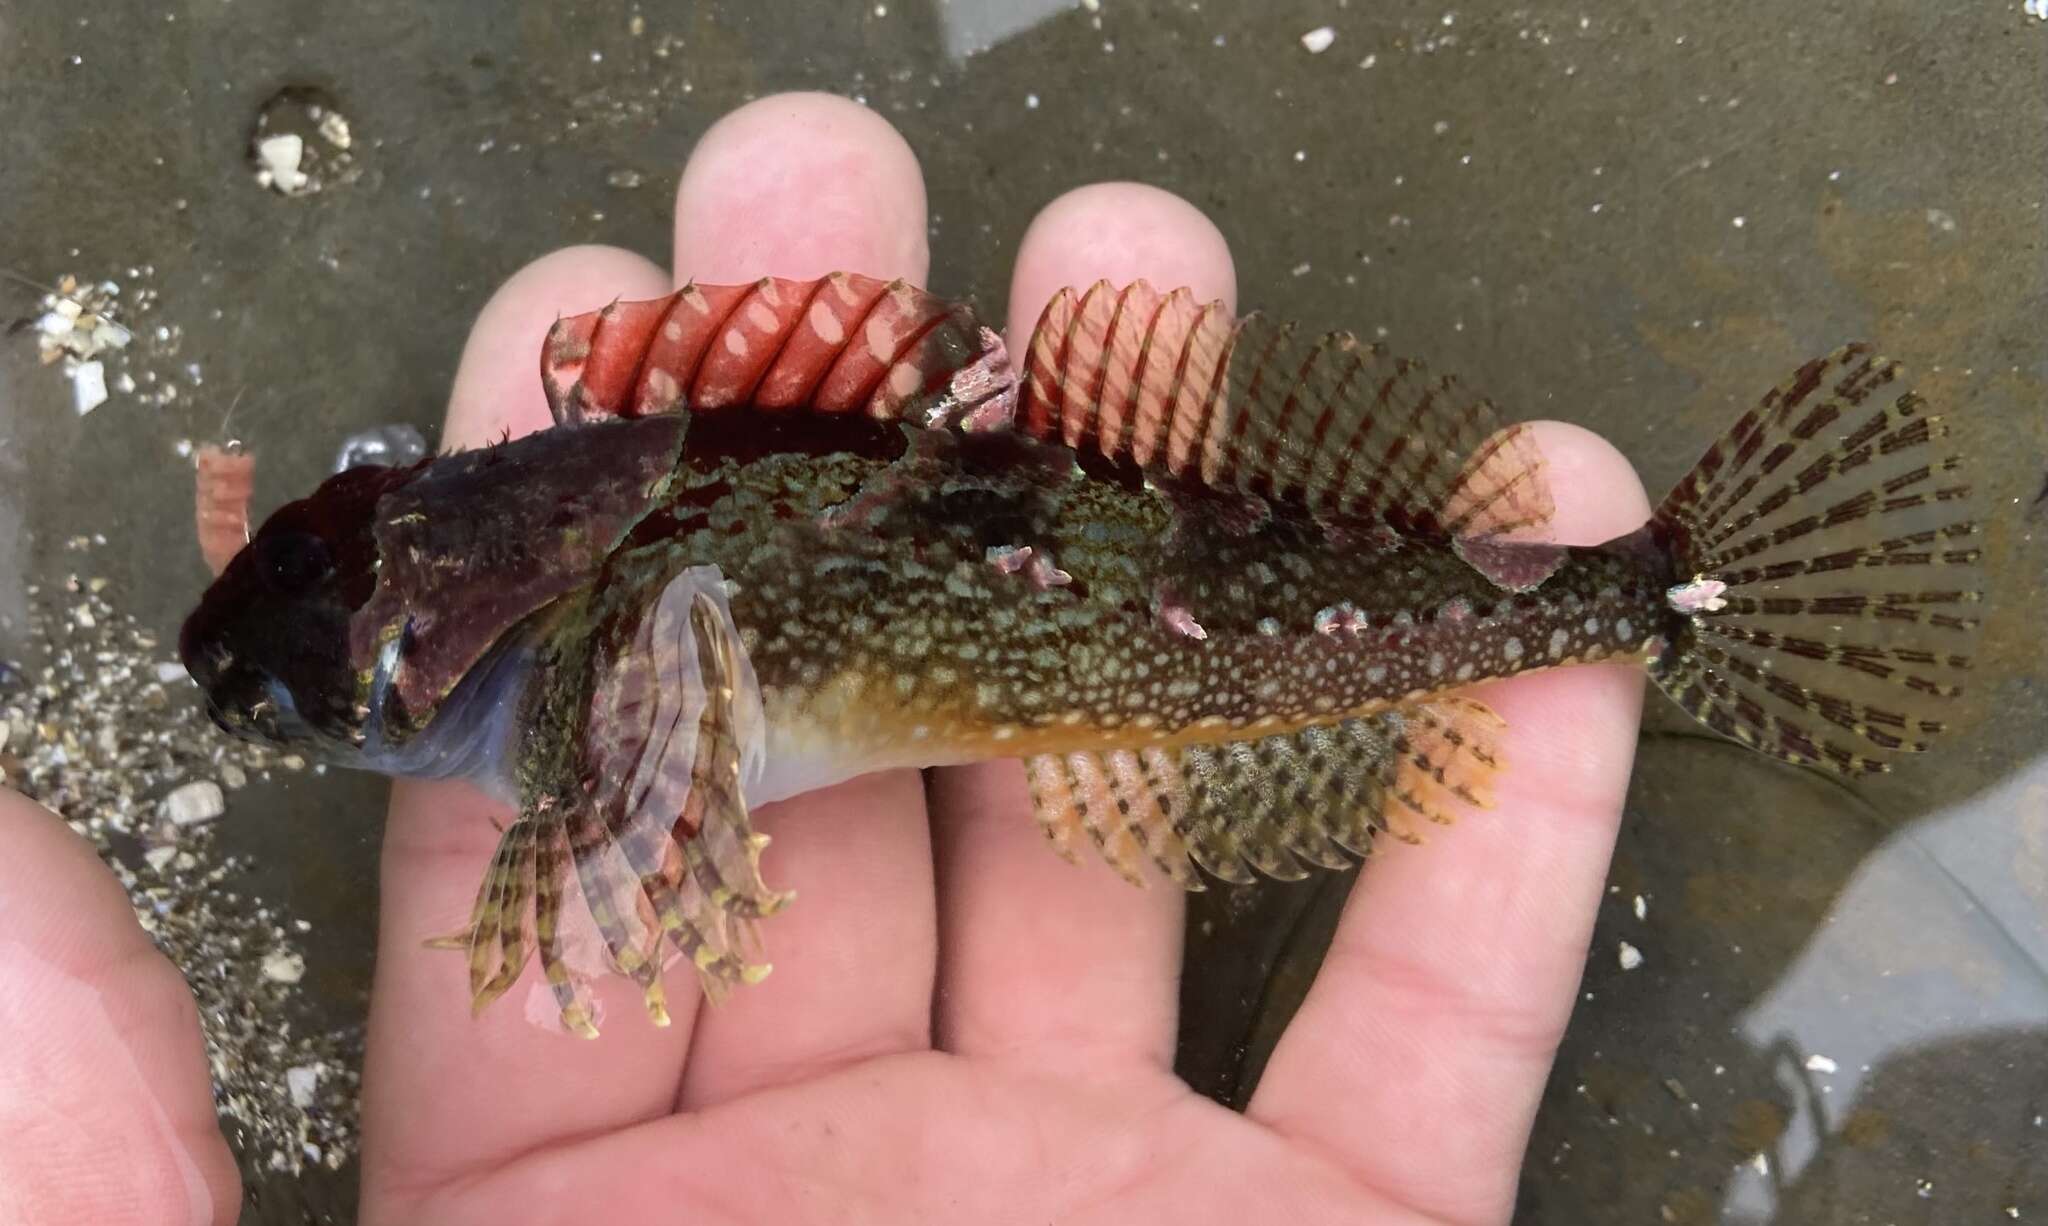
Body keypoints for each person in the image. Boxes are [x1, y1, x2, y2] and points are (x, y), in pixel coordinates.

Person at [0, 92, 1649, 1226]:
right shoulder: (560, 609)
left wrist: (593, 847)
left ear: (438, 570)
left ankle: (1641, 600)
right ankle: (1633, 599)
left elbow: (656, 762)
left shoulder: (583, 661)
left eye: (314, 577)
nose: (292, 632)